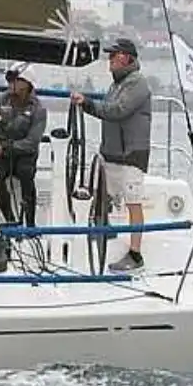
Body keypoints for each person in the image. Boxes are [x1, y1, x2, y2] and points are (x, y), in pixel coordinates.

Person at [73, 37, 154, 272]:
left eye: (113, 56)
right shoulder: (117, 84)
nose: (109, 61)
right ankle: (105, 230)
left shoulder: (137, 83)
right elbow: (110, 106)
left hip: (131, 154)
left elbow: (118, 110)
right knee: (102, 195)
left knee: (133, 202)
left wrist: (87, 104)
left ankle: (136, 255)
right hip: (112, 154)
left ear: (126, 57)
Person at [0, 62, 48, 226]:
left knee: (26, 174)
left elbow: (32, 142)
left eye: (16, 80)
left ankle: (30, 223)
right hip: (1, 156)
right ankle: (11, 220)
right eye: (10, 80)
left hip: (24, 154)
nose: (11, 84)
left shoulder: (38, 109)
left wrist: (5, 148)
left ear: (28, 84)